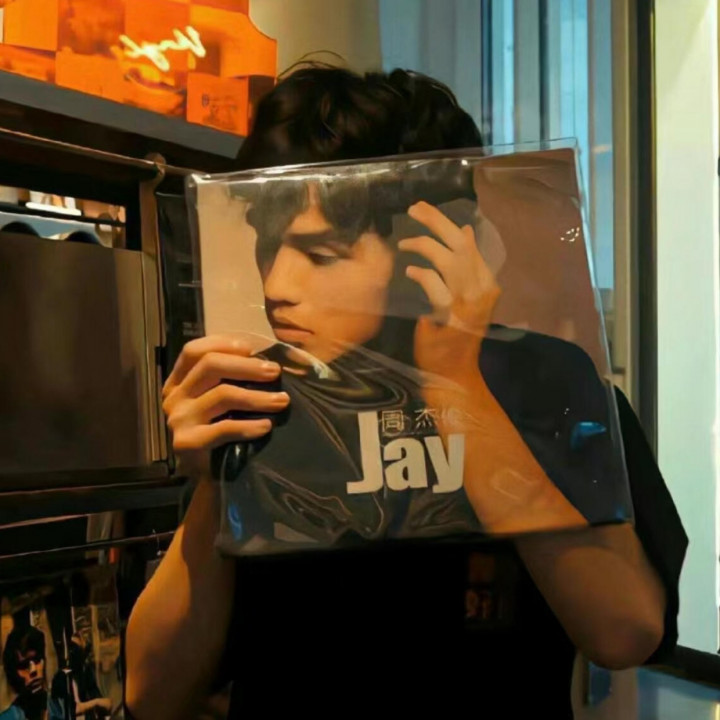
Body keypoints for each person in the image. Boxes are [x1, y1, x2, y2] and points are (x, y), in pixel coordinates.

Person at [126, 67, 687, 719]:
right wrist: (213, 486)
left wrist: (458, 384)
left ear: (422, 255)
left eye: (321, 254)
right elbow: (151, 694)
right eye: (268, 247)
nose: (276, 286)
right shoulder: (259, 395)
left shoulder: (542, 381)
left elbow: (624, 632)